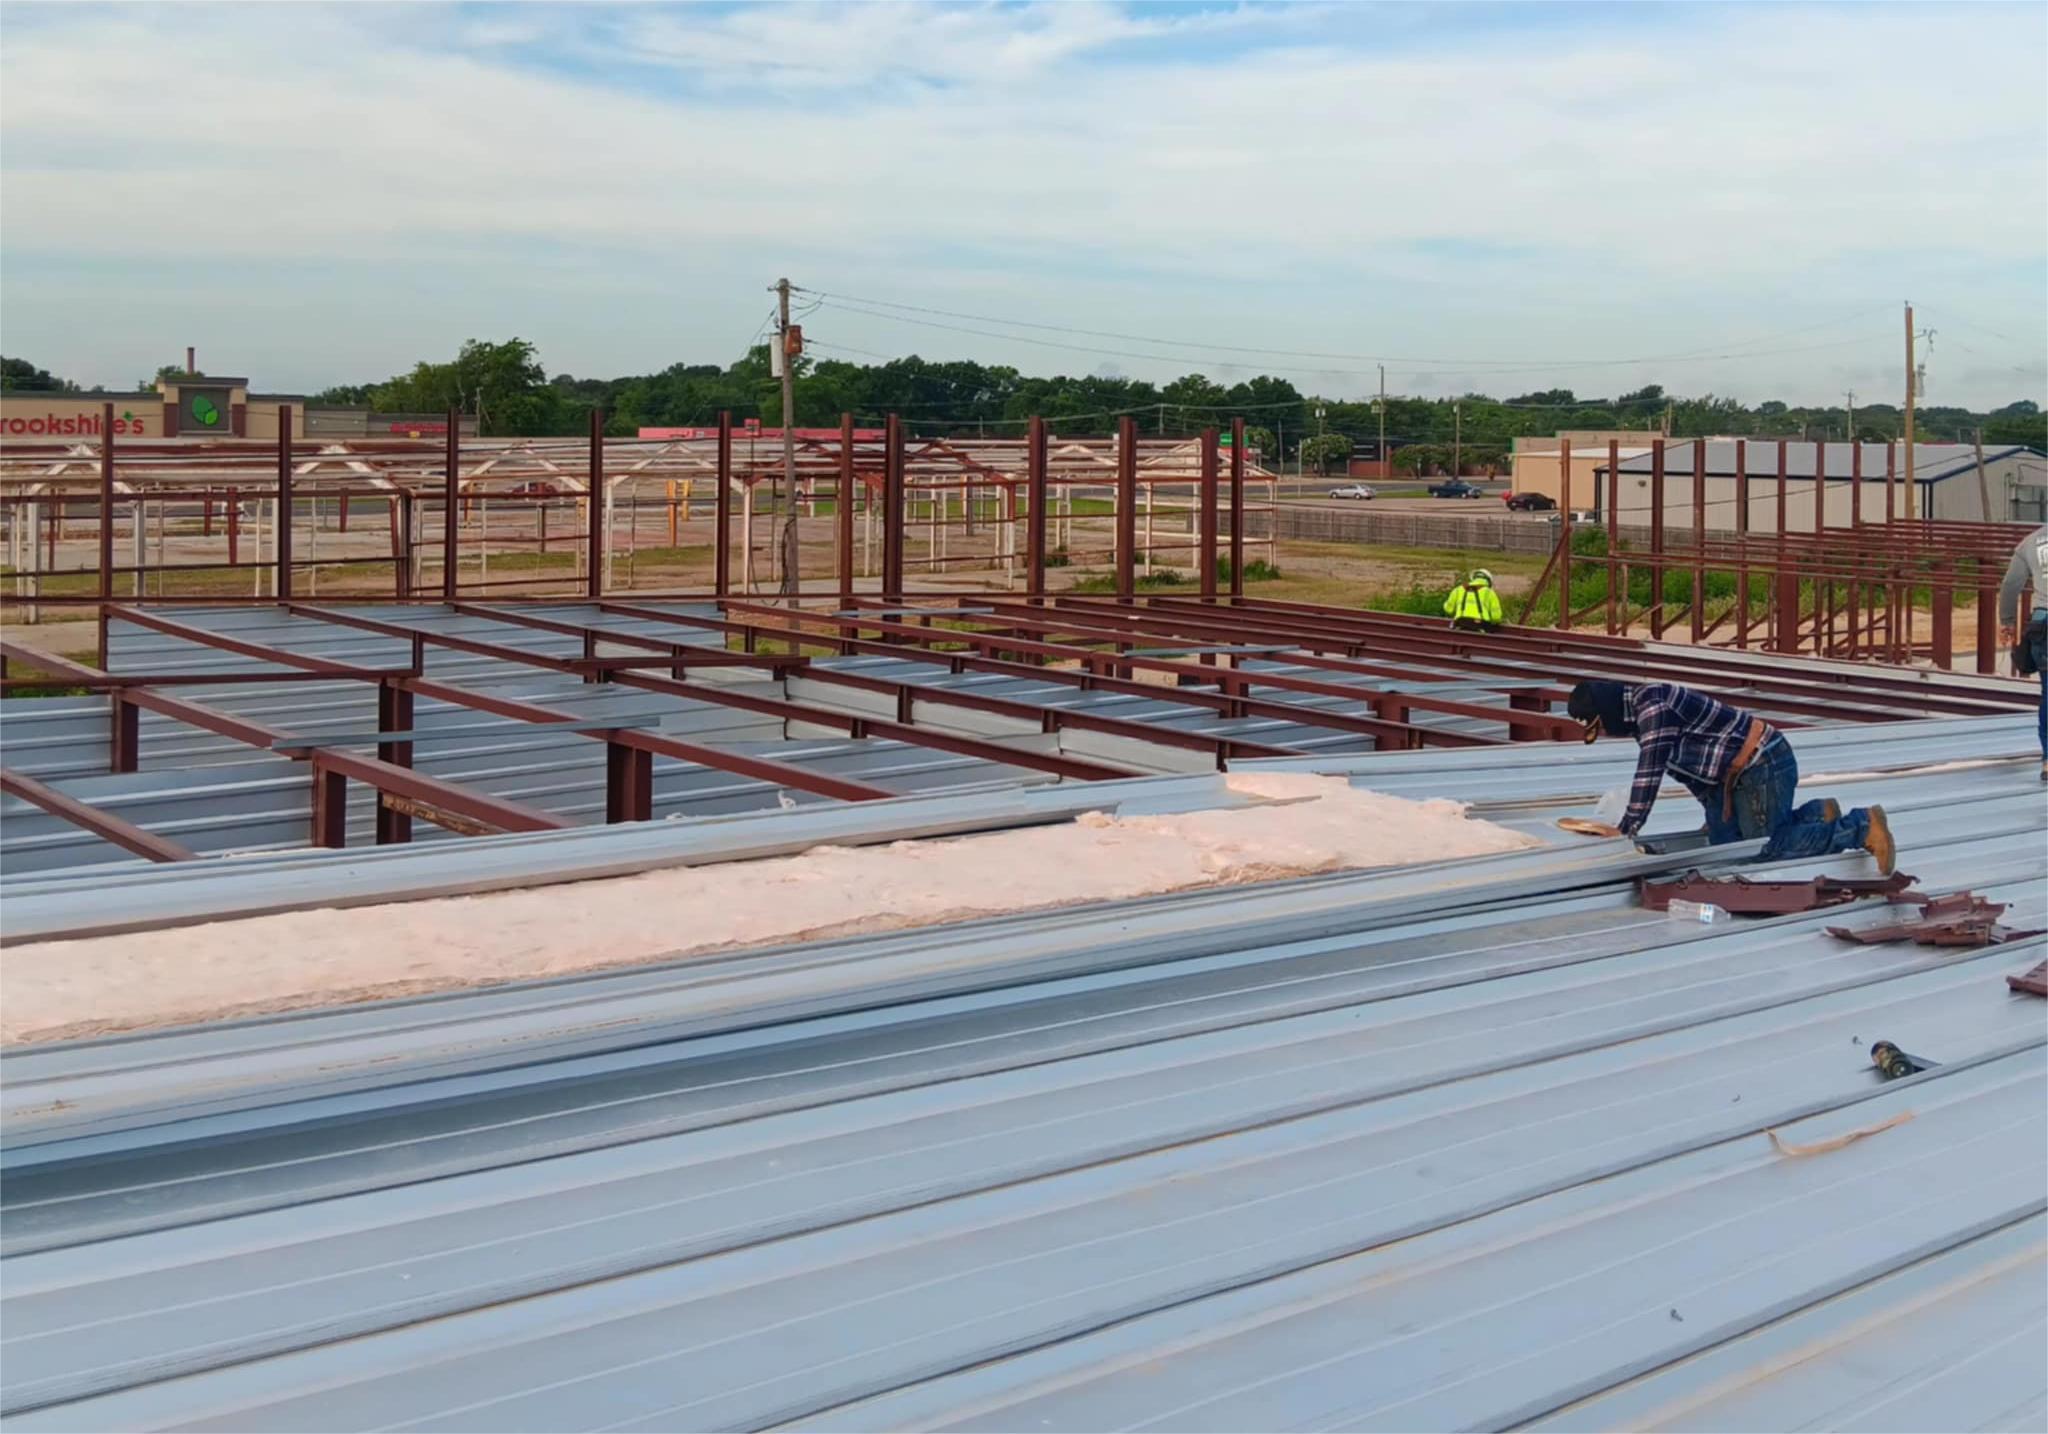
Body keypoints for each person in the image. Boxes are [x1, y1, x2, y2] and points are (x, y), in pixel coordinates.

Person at [1566, 679, 1895, 872]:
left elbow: (1648, 774)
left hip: (1762, 763)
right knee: (1725, 848)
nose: (1606, 734)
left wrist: (1625, 830)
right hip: (1733, 778)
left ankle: (1861, 826)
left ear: (1606, 712)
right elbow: (1692, 772)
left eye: (1600, 727)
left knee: (1761, 850)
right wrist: (1713, 814)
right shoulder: (1641, 720)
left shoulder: (1653, 709)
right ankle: (1815, 815)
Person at [1995, 522, 2048, 781]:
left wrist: (2007, 621)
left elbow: (2010, 585)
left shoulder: (2031, 542)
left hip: (2043, 625)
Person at [1443, 568, 1504, 632]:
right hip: (1481, 627)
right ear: (1489, 581)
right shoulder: (1489, 593)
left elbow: (1448, 610)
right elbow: (1496, 617)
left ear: (1473, 579)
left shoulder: (1458, 590)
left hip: (1460, 625)